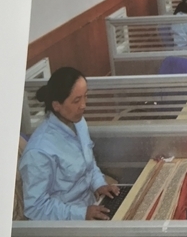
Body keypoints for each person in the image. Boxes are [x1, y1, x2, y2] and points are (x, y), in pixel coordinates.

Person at [19, 67, 120, 221]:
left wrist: (99, 184)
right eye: (76, 101)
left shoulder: (78, 122)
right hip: (66, 223)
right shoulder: (39, 151)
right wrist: (82, 214)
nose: (83, 105)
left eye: (85, 96)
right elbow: (36, 208)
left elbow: (89, 164)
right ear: (56, 105)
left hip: (91, 204)